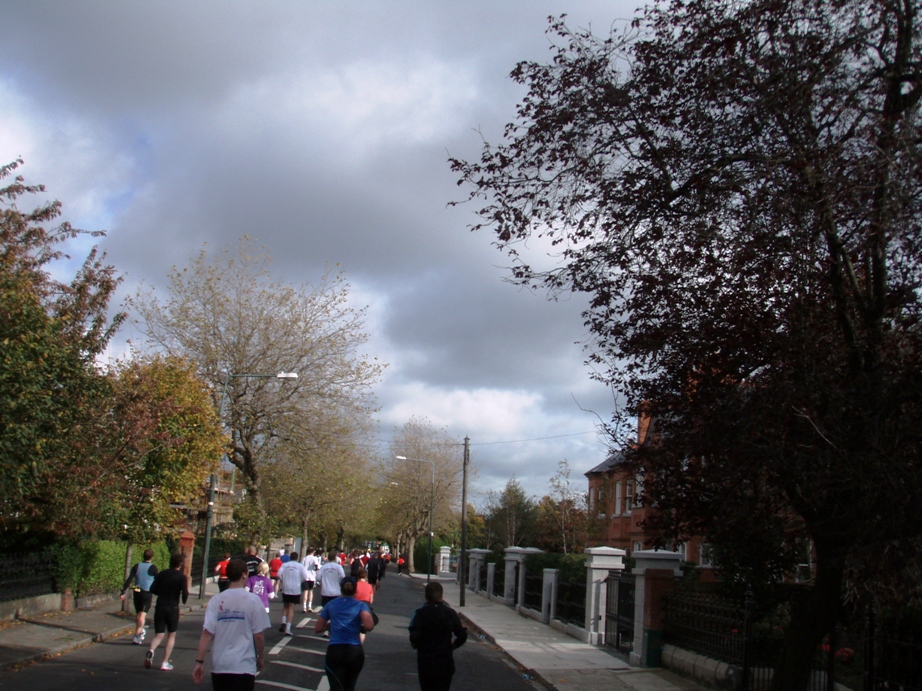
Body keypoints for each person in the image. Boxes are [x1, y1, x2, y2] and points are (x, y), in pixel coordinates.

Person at [192, 558, 270, 691]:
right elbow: (258, 635)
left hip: (220, 664)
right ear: (244, 574)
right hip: (244, 664)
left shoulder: (216, 600)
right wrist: (260, 657)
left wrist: (199, 662)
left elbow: (206, 634)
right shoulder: (253, 601)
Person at [314, 576, 375, 691]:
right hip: (354, 651)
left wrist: (330, 624)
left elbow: (318, 628)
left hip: (335, 650)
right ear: (355, 590)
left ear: (341, 589)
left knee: (336, 686)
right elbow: (369, 626)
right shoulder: (360, 605)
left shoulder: (331, 604)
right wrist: (358, 625)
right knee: (349, 686)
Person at [409, 582, 468, 691]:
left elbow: (414, 636)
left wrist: (416, 645)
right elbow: (462, 635)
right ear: (442, 596)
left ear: (426, 596)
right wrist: (453, 646)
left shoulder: (420, 613)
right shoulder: (450, 613)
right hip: (445, 662)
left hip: (426, 662)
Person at [145, 552, 190, 671]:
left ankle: (151, 650)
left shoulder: (162, 574)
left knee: (159, 634)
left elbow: (152, 589)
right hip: (172, 608)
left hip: (160, 606)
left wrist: (161, 592)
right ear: (180, 564)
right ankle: (164, 662)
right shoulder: (181, 577)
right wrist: (184, 600)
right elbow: (185, 593)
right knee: (171, 635)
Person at [120, 548, 158, 645]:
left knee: (138, 614)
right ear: (152, 557)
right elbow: (158, 581)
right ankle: (136, 636)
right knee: (142, 615)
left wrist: (123, 591)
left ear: (143, 556)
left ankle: (139, 631)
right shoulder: (153, 568)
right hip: (146, 592)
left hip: (136, 591)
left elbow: (129, 579)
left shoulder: (136, 566)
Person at [276, 551, 308, 636]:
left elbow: (278, 574)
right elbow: (305, 577)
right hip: (295, 589)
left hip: (286, 588)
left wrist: (283, 581)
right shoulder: (300, 566)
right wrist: (299, 581)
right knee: (291, 607)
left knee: (285, 606)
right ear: (297, 558)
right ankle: (288, 628)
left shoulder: (285, 565)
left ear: (290, 557)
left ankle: (283, 621)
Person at [301, 548, 320, 613]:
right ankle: (309, 606)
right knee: (311, 591)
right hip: (312, 576)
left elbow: (301, 567)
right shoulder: (315, 558)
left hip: (305, 576)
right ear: (313, 552)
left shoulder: (304, 558)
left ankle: (304, 607)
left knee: (305, 592)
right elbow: (317, 567)